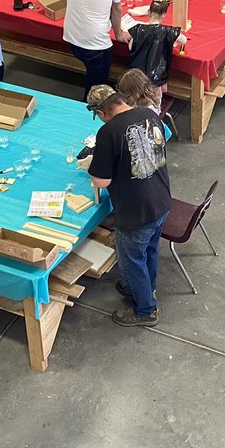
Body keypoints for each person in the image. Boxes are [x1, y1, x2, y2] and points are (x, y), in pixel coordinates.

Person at [87, 85, 171, 327]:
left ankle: (145, 310)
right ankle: (148, 289)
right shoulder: (149, 114)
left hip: (136, 212)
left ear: (102, 112)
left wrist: (98, 161)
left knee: (131, 261)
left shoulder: (108, 132)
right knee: (149, 250)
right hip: (161, 201)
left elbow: (101, 181)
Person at [63, 0, 130, 99]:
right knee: (97, 85)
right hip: (93, 47)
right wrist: (118, 33)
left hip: (71, 37)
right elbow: (117, 9)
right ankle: (91, 105)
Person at [124, 0, 186, 94]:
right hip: (155, 77)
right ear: (164, 15)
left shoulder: (138, 28)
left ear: (148, 12)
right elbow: (183, 40)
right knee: (154, 102)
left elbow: (131, 47)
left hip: (137, 75)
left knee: (136, 99)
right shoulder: (166, 31)